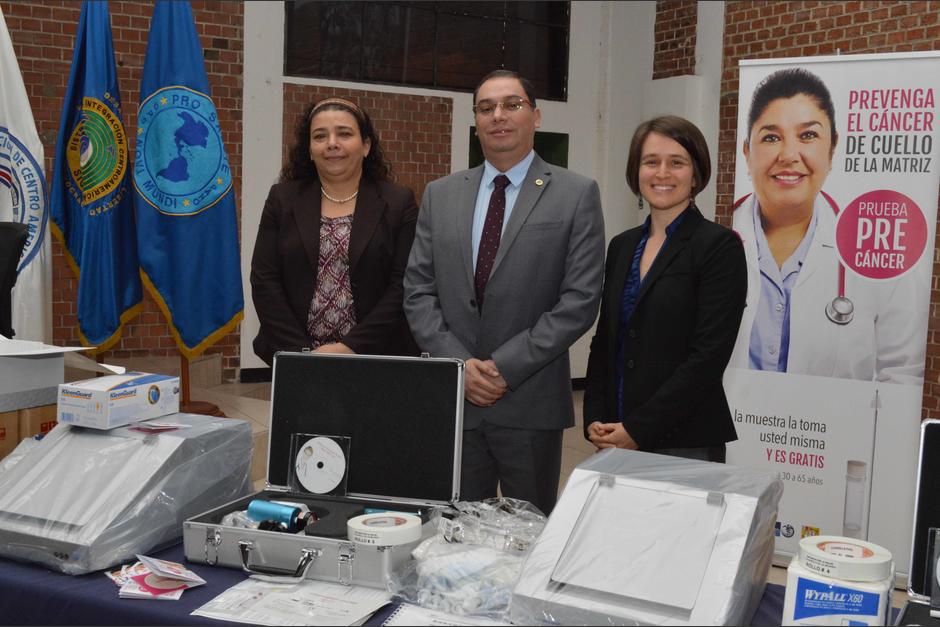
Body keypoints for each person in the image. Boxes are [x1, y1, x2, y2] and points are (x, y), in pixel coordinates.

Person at [403, 70, 605, 515]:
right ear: (476, 122)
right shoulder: (440, 194)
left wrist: (505, 367)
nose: (498, 115)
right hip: (456, 400)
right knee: (456, 533)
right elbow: (418, 290)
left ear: (536, 116)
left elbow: (580, 299)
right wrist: (460, 365)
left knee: (527, 535)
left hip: (529, 402)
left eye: (512, 105)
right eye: (486, 107)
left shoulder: (576, 194)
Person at [729, 68, 925, 384]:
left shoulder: (878, 249)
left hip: (835, 419)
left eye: (808, 135)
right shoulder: (715, 240)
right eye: (771, 137)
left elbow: (902, 375)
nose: (788, 155)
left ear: (832, 148)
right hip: (729, 416)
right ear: (747, 152)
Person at [583, 116, 747, 462]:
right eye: (651, 162)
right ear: (636, 171)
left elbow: (708, 356)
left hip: (686, 440)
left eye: (676, 163)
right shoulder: (622, 246)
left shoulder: (719, 246)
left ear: (696, 174)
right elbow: (606, 339)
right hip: (616, 429)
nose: (662, 173)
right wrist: (594, 416)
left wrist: (638, 429)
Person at [250, 97, 418, 365]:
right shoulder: (282, 199)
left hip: (377, 358)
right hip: (297, 359)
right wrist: (303, 355)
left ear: (366, 145)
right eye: (320, 136)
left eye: (344, 134)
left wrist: (350, 347)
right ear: (309, 149)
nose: (331, 143)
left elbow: (403, 286)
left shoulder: (399, 203)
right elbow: (264, 280)